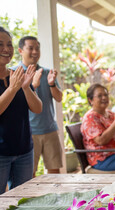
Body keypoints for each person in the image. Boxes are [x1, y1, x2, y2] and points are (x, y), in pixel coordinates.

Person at [11, 36, 63, 176]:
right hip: (27, 132)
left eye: (37, 48)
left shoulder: (47, 73)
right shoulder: (14, 73)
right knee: (28, 174)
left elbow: (59, 98)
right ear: (21, 50)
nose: (35, 51)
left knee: (54, 172)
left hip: (49, 129)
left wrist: (51, 83)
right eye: (30, 48)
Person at [0, 27, 42, 193]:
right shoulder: (14, 81)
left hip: (24, 151)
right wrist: (12, 89)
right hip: (1, 154)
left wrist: (25, 88)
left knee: (21, 200)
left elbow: (37, 108)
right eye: (0, 44)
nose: (6, 49)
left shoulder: (18, 75)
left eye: (9, 44)